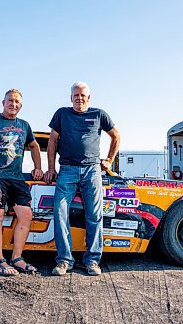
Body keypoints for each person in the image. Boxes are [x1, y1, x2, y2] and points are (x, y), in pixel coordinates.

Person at [44, 82, 120, 276]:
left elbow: (116, 136)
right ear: (71, 98)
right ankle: (64, 261)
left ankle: (93, 261)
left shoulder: (99, 114)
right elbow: (52, 141)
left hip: (92, 170)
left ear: (89, 97)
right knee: (60, 212)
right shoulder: (62, 114)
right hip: (67, 170)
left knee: (94, 216)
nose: (79, 98)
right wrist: (51, 168)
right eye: (76, 95)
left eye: (82, 95)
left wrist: (109, 160)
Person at [0, 88, 44, 276]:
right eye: (10, 100)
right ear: (3, 102)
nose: (13, 104)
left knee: (26, 215)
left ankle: (17, 258)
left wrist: (38, 167)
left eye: (16, 102)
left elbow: (34, 145)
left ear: (20, 106)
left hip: (17, 177)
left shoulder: (24, 125)